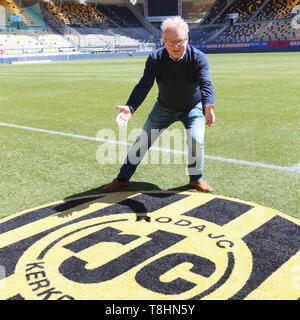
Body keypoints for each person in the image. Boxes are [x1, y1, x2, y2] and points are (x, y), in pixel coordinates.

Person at [103, 16, 215, 193]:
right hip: (164, 108)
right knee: (142, 141)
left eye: (179, 41)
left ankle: (196, 178)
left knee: (196, 140)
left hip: (193, 108)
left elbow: (206, 84)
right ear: (163, 40)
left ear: (187, 39)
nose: (175, 46)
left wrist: (208, 106)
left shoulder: (199, 58)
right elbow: (144, 85)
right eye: (170, 42)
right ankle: (122, 179)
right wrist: (130, 107)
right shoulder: (155, 58)